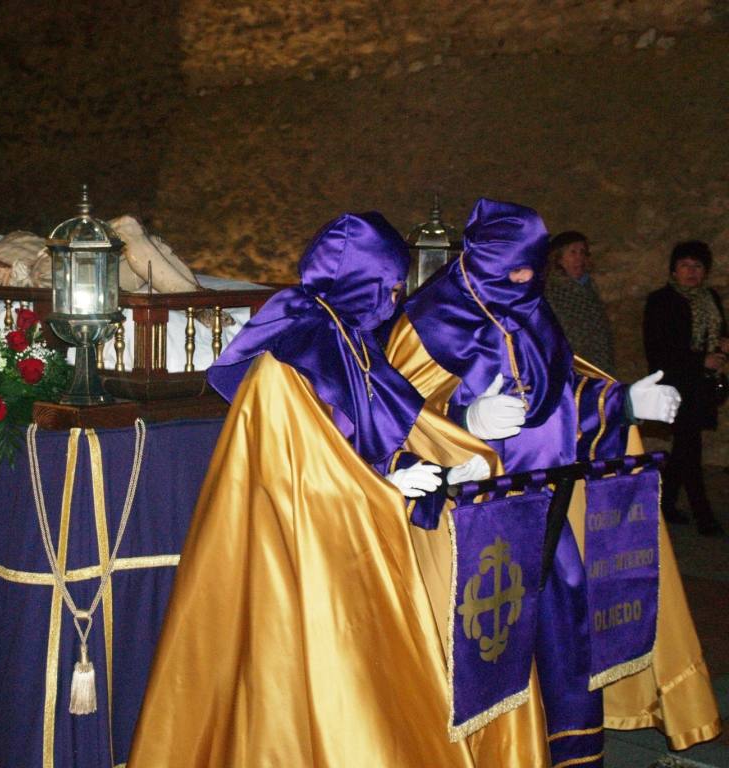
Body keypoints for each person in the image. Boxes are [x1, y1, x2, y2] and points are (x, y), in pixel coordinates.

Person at [128, 212, 550, 767]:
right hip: (296, 553)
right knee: (316, 683)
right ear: (358, 279)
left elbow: (383, 426)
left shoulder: (349, 339)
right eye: (389, 284)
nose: (397, 297)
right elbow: (292, 471)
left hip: (348, 537)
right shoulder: (286, 356)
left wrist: (450, 455)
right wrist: (381, 484)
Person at [387, 198, 720, 767]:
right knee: (477, 644)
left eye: (529, 268)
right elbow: (392, 416)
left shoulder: (534, 312)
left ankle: (562, 748)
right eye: (509, 269)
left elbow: (565, 394)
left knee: (563, 620)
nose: (520, 280)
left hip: (543, 504)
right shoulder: (428, 320)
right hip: (463, 521)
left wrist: (623, 403)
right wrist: (463, 422)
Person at [644, 240, 727, 536]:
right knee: (690, 449)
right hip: (676, 385)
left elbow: (719, 334)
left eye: (698, 266)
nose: (691, 272)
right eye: (685, 266)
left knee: (684, 448)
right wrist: (700, 359)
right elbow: (659, 349)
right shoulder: (661, 301)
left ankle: (663, 504)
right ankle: (703, 515)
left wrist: (720, 351)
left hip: (701, 385)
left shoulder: (710, 299)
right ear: (674, 270)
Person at [544, 230, 616, 372]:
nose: (579, 258)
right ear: (559, 258)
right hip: (574, 366)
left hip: (599, 363)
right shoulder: (552, 292)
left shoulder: (589, 288)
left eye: (583, 252)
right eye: (573, 253)